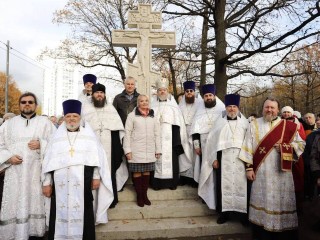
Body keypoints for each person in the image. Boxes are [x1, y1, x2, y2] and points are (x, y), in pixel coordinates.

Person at [42, 99, 113, 240]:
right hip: (60, 184)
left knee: (84, 211)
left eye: (75, 116)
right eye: (68, 116)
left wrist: (96, 176)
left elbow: (97, 158)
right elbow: (48, 163)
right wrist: (46, 183)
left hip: (83, 181)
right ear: (64, 117)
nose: (72, 119)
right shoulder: (56, 137)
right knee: (59, 212)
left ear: (80, 117)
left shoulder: (89, 136)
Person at [239, 97, 305, 239]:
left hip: (282, 175)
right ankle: (261, 233)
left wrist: (284, 147)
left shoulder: (289, 126)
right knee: (262, 201)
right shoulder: (254, 124)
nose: (269, 110)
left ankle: (283, 234)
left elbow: (301, 145)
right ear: (263, 108)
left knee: (282, 203)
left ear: (277, 110)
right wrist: (249, 168)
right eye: (267, 107)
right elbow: (247, 146)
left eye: (272, 107)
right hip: (261, 174)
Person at [0, 92, 56, 240]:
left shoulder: (46, 124)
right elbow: (0, 145)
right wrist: (8, 157)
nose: (27, 104)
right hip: (14, 174)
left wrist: (41, 144)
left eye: (30, 102)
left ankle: (35, 233)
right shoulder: (8, 124)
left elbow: (57, 145)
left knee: (35, 202)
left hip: (36, 173)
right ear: (19, 105)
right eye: (23, 102)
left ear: (35, 105)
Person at [200, 94, 249, 224]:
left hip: (241, 160)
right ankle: (224, 213)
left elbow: (250, 143)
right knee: (223, 186)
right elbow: (211, 142)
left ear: (238, 108)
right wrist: (213, 159)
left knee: (241, 186)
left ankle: (242, 216)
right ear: (226, 107)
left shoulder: (245, 123)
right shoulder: (219, 123)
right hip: (223, 159)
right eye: (229, 106)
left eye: (234, 106)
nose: (232, 109)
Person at [82, 83, 127, 208]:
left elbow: (118, 130)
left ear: (105, 94)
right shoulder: (86, 108)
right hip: (90, 147)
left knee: (108, 171)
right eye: (97, 92)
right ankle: (92, 202)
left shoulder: (111, 109)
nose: (99, 95)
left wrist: (117, 150)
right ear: (93, 94)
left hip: (109, 147)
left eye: (102, 92)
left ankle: (110, 200)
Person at [150, 79, 192, 190]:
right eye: (160, 90)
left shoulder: (174, 107)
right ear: (157, 92)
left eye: (164, 90)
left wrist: (177, 143)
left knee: (172, 161)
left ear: (167, 91)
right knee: (156, 161)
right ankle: (157, 184)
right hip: (156, 139)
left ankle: (172, 184)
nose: (162, 92)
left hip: (171, 141)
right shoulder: (152, 106)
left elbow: (178, 125)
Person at [123, 94, 161, 207]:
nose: (144, 103)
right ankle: (139, 196)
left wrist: (158, 149)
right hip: (136, 150)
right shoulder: (132, 116)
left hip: (149, 149)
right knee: (137, 172)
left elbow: (157, 134)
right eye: (142, 101)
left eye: (146, 101)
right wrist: (127, 150)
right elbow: (127, 133)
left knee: (146, 172)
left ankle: (145, 195)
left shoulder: (153, 116)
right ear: (138, 103)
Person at [190, 84, 225, 184]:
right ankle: (204, 196)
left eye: (210, 95)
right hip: (204, 146)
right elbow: (195, 131)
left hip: (218, 145)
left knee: (217, 170)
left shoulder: (222, 110)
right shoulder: (199, 112)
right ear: (203, 98)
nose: (208, 97)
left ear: (214, 96)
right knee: (204, 169)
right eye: (206, 96)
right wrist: (196, 146)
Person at [178, 81, 203, 186]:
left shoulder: (200, 103)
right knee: (183, 156)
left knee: (194, 156)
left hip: (195, 133)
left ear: (194, 92)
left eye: (191, 91)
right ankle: (184, 178)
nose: (189, 93)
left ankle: (194, 179)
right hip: (183, 132)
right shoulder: (181, 104)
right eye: (187, 91)